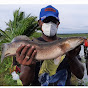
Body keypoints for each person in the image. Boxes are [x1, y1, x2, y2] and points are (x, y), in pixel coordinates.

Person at [16, 5, 84, 86]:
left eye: (54, 21)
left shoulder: (70, 48)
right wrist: (30, 66)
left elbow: (80, 75)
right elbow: (25, 82)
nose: (50, 24)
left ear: (58, 24)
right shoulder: (30, 46)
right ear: (40, 23)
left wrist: (72, 58)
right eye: (47, 20)